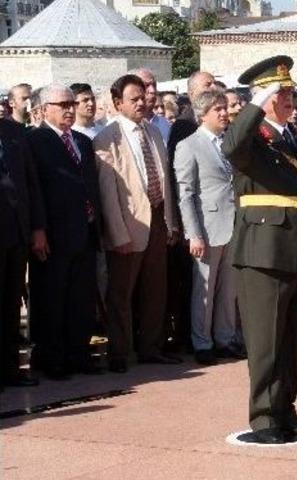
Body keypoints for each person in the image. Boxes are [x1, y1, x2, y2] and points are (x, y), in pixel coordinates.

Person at [222, 55, 297, 444]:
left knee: (289, 338)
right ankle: (264, 418)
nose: (289, 98)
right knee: (266, 341)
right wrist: (254, 103)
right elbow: (232, 147)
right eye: (279, 92)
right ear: (261, 97)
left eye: (290, 91)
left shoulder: (294, 134)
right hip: (264, 250)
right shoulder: (251, 136)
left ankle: (285, 410)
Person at [94, 74, 181, 373]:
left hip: (157, 219)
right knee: (121, 293)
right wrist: (118, 234)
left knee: (156, 289)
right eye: (134, 99)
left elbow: (164, 180)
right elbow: (108, 194)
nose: (142, 103)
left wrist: (170, 223)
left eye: (143, 97)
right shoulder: (107, 139)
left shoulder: (154, 132)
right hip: (127, 224)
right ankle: (119, 352)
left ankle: (151, 347)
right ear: (118, 104)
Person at [26, 84, 101, 379]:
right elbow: (33, 189)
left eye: (72, 103)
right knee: (52, 298)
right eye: (63, 104)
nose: (70, 109)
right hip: (53, 235)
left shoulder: (82, 141)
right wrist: (38, 229)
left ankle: (78, 354)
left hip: (85, 230)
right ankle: (51, 357)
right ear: (44, 109)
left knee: (80, 298)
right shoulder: (36, 141)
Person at [174, 91, 243, 366]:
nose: (225, 113)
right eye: (219, 109)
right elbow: (185, 193)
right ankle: (202, 342)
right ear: (203, 114)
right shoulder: (189, 145)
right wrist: (193, 233)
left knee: (229, 289)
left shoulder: (229, 143)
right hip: (207, 226)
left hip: (235, 224)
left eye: (225, 108)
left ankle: (225, 339)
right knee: (204, 289)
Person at [0, 112, 46, 390]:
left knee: (10, 305)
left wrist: (37, 227)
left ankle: (9, 369)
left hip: (17, 232)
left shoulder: (15, 132)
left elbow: (31, 182)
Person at [131, 68, 171, 144]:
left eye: (154, 85)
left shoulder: (165, 125)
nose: (152, 90)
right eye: (146, 85)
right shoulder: (118, 128)